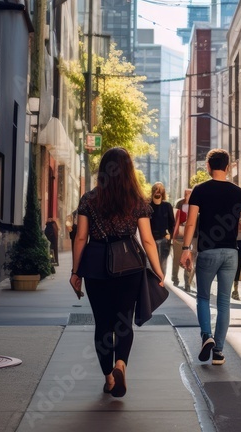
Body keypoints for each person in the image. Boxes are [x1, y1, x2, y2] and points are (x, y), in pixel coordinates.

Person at [70, 147, 166, 397]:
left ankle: (109, 379)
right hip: (129, 266)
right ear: (128, 171)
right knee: (124, 321)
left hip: (95, 265)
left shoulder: (89, 199)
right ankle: (121, 364)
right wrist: (158, 271)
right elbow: (147, 240)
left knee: (102, 324)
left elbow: (81, 237)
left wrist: (75, 271)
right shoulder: (137, 201)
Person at [180, 150, 241, 366]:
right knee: (223, 302)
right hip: (231, 252)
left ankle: (206, 336)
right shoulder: (239, 193)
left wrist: (186, 248)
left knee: (202, 297)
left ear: (208, 167)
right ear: (228, 167)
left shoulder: (200, 190)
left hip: (207, 251)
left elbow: (191, 222)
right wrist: (232, 227)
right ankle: (219, 352)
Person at [148, 182, 176, 274]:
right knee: (150, 265)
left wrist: (170, 235)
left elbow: (172, 222)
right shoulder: (147, 206)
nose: (158, 191)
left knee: (162, 266)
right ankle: (151, 287)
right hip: (150, 240)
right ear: (153, 191)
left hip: (164, 239)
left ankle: (160, 286)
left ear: (163, 192)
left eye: (160, 190)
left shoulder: (167, 206)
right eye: (156, 189)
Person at [170, 190, 192, 291]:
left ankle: (187, 283)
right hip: (179, 234)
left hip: (191, 234)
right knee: (177, 258)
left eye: (190, 193)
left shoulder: (195, 204)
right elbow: (175, 218)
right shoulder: (180, 203)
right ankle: (175, 277)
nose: (188, 195)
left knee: (188, 259)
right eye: (187, 193)